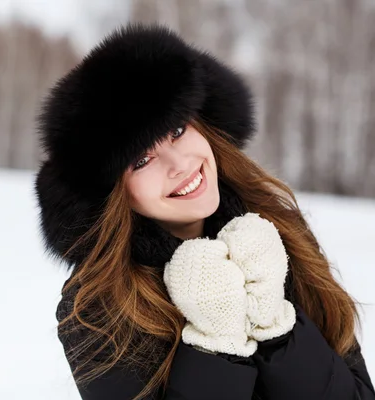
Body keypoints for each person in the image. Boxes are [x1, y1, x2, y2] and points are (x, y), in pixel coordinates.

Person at [34, 23, 375, 400]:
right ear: (114, 192)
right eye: (142, 160)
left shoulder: (276, 229)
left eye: (178, 130)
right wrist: (215, 345)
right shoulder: (99, 305)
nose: (179, 164)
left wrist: (278, 328)